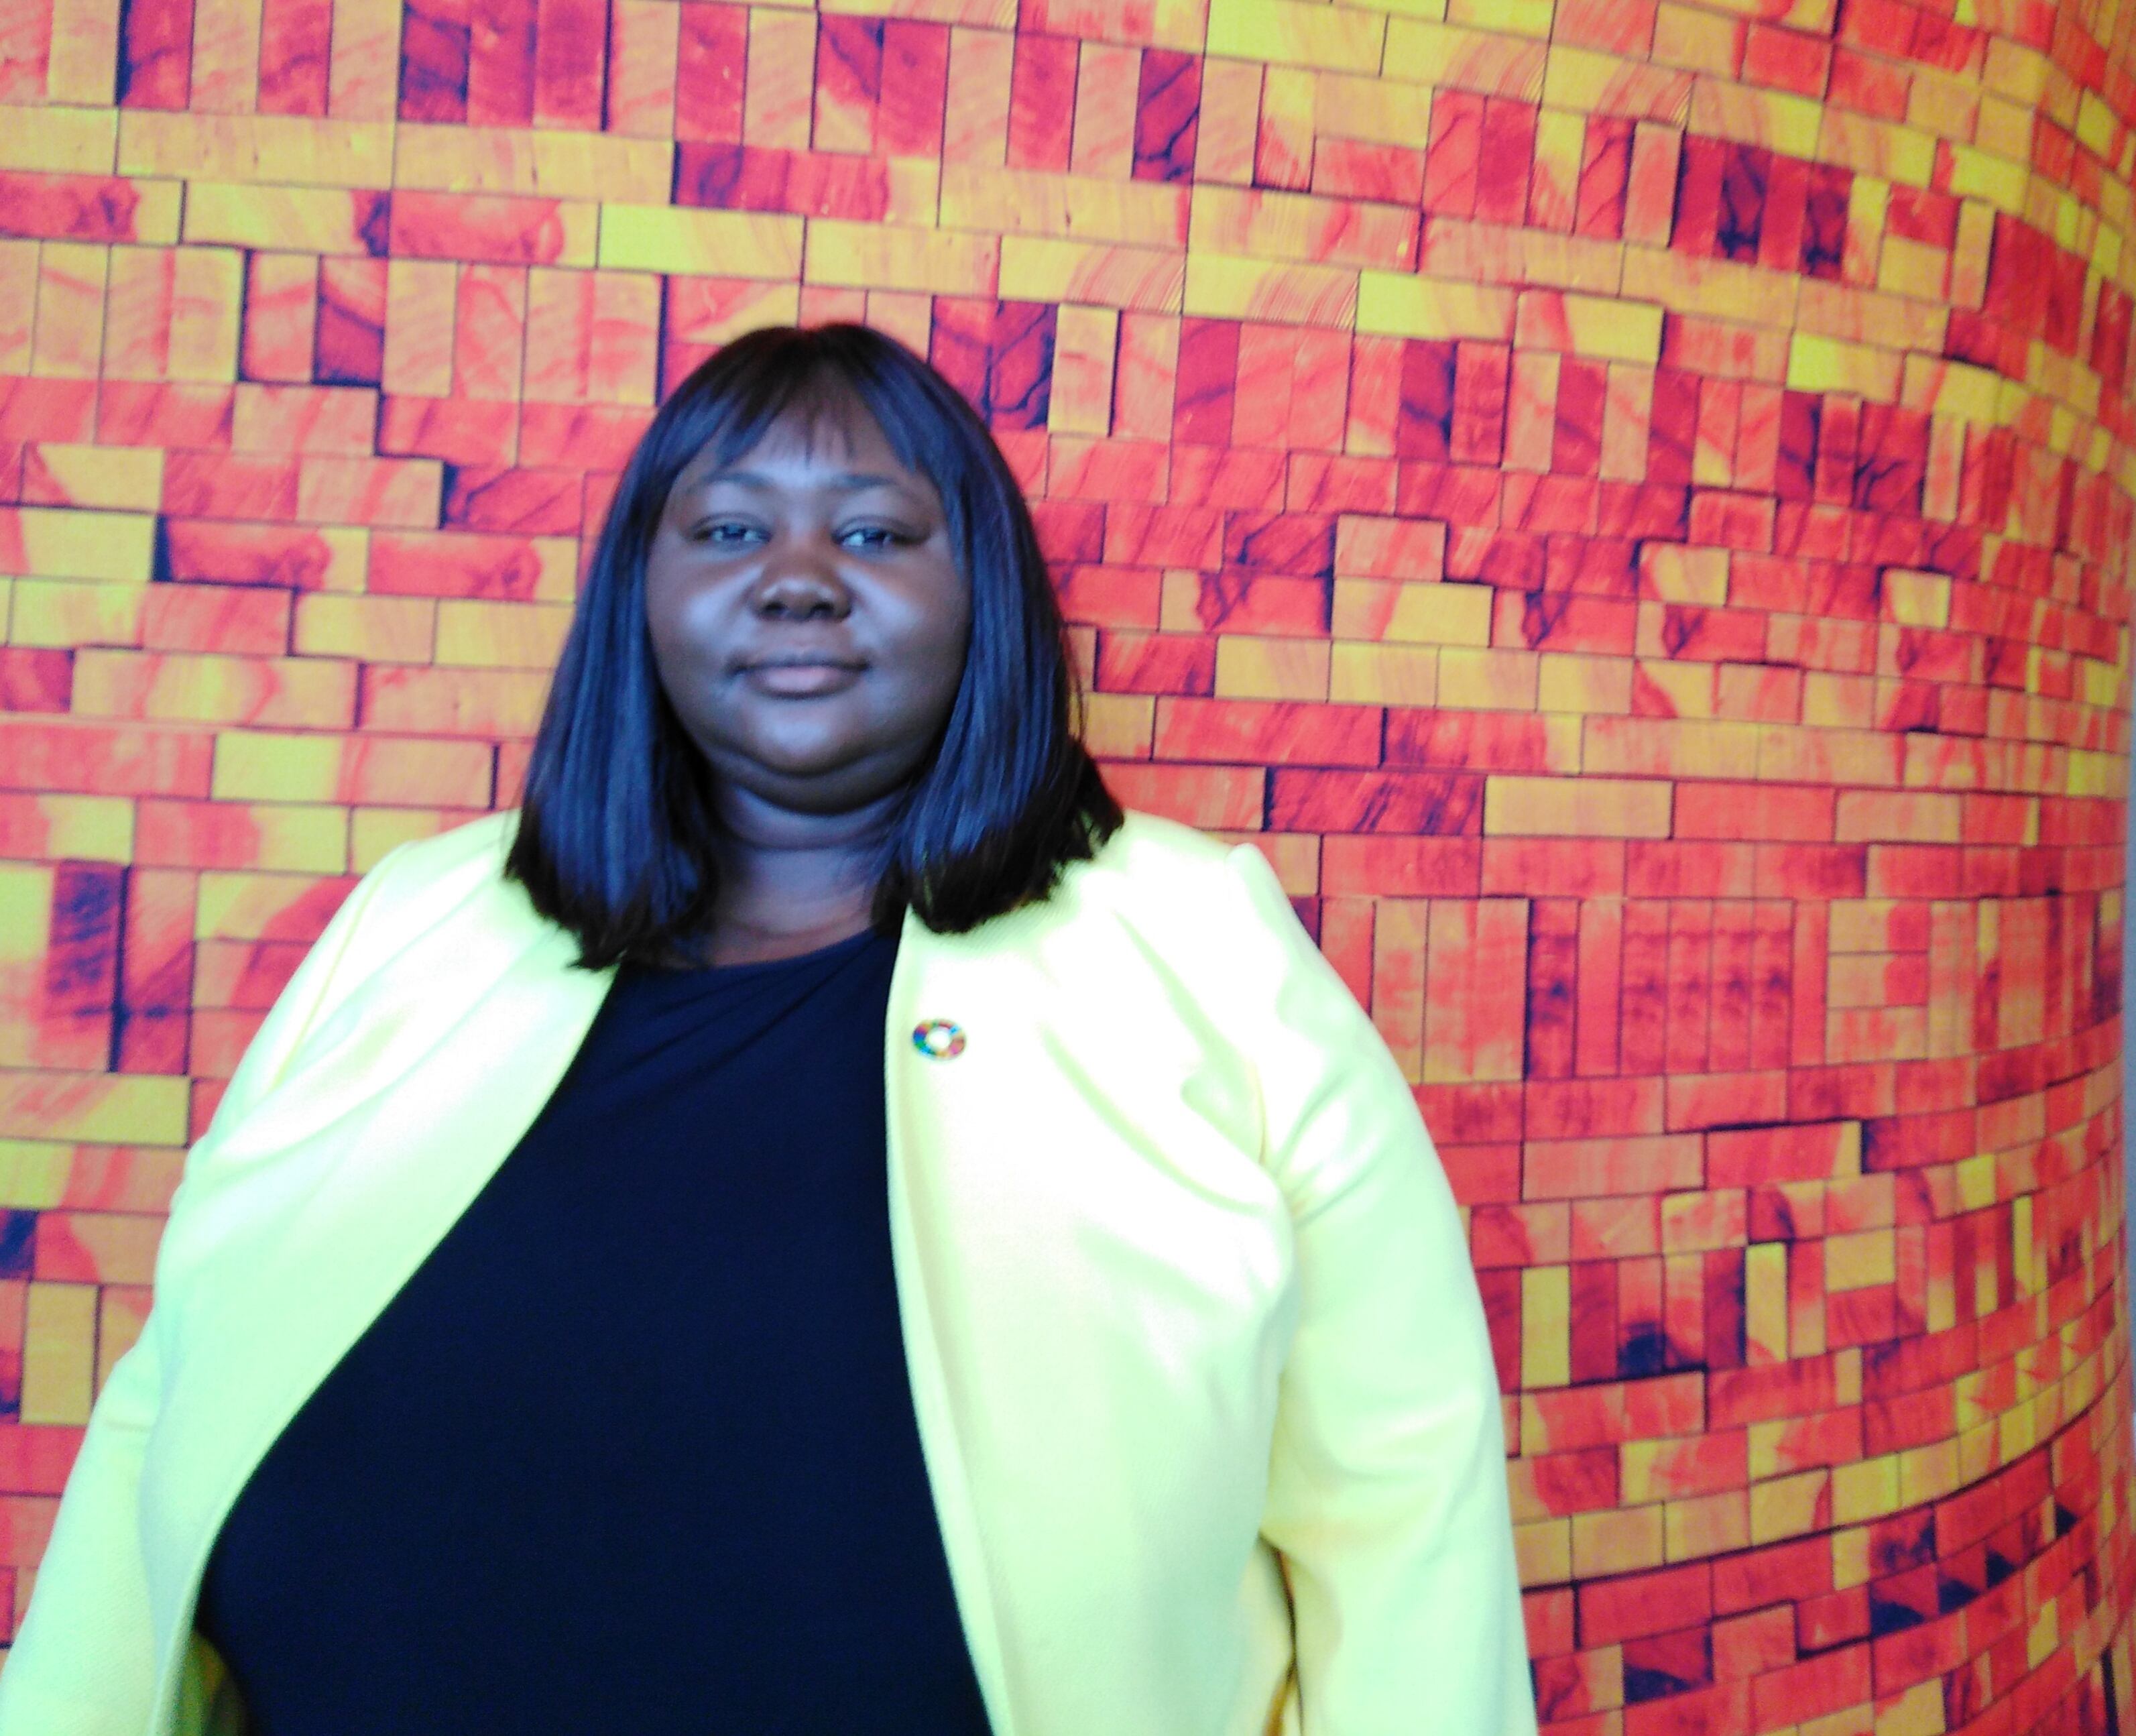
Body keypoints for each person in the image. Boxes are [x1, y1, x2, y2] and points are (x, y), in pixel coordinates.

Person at [0, 324, 1538, 1735]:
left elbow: (1403, 1499)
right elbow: (170, 1392)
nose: (798, 578)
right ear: (641, 591)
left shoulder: (1204, 947)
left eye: (875, 532)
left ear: (985, 592)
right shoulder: (412, 924)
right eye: (731, 530)